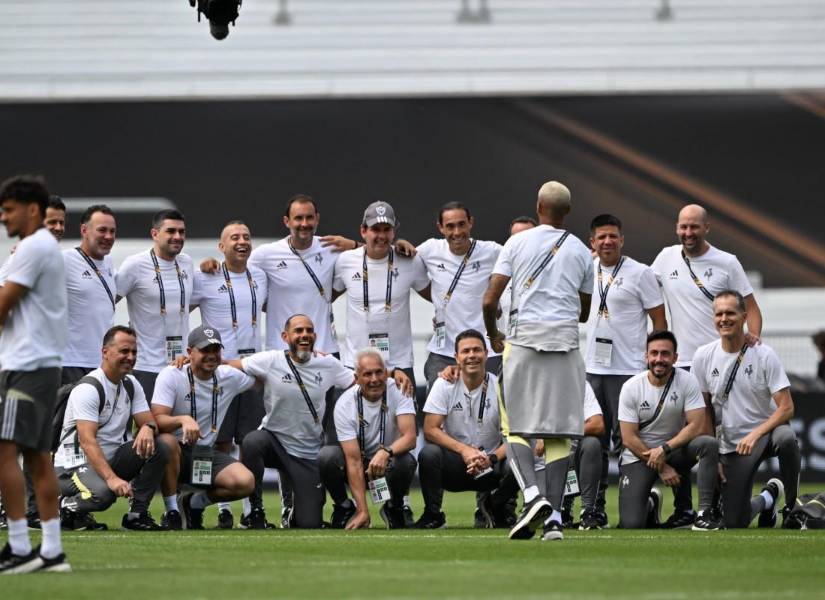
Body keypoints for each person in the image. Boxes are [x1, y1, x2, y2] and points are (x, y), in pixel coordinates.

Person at [483, 180, 593, 542]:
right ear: (568, 213)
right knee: (560, 434)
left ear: (538, 206)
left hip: (524, 341)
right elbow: (584, 312)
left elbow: (490, 300)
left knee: (515, 428)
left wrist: (494, 335)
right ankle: (555, 520)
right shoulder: (580, 249)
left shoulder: (516, 242)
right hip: (565, 343)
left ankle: (531, 496)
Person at [0, 174, 70, 573]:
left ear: (31, 210)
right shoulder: (38, 247)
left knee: (3, 452)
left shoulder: (33, 246)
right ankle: (53, 552)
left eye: (9, 210)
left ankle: (21, 546)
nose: (4, 217)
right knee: (38, 459)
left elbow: (3, 304)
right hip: (38, 365)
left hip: (27, 367)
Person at [232, 315, 361, 529]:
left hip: (307, 454)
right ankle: (254, 511)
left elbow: (360, 382)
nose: (304, 335)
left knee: (309, 523)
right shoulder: (271, 360)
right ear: (285, 336)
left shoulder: (327, 363)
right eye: (298, 331)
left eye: (309, 331)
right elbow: (230, 364)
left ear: (315, 336)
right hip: (274, 443)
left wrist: (393, 374)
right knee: (252, 441)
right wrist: (189, 359)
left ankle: (295, 515)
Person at [692, 290, 803, 529]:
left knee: (786, 438)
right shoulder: (703, 356)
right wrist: (714, 456)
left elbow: (786, 408)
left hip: (765, 435)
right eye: (719, 314)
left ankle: (792, 509)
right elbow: (703, 412)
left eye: (730, 313)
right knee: (734, 521)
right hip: (731, 447)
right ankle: (768, 498)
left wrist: (755, 434)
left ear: (743, 316)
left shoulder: (764, 354)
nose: (724, 319)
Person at [584, 214, 666, 527]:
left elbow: (659, 320)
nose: (607, 242)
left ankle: (639, 501)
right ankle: (595, 509)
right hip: (593, 368)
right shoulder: (584, 267)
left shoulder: (641, 273)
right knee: (595, 442)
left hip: (629, 370)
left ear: (622, 239)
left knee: (626, 443)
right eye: (601, 237)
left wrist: (652, 360)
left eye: (613, 236)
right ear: (592, 242)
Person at [191, 220, 268, 529]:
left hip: (251, 373)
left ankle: (252, 509)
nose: (242, 241)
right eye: (234, 237)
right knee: (220, 443)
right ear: (221, 247)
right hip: (218, 373)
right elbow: (181, 308)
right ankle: (222, 508)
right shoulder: (205, 276)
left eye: (247, 237)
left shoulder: (260, 276)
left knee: (250, 442)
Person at [55, 326, 171, 531]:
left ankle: (137, 515)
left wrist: (148, 427)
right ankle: (61, 506)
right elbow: (87, 441)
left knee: (161, 445)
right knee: (103, 495)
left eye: (134, 352)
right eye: (124, 351)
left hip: (110, 460)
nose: (130, 357)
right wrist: (112, 479)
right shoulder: (88, 388)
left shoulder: (131, 384)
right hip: (73, 466)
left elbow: (149, 421)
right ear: (105, 352)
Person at [152, 325, 258, 530]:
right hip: (173, 452)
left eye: (215, 350)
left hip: (204, 454)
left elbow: (265, 374)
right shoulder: (172, 374)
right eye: (205, 350)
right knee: (168, 442)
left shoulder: (229, 375)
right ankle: (172, 511)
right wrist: (182, 419)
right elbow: (156, 420)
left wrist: (307, 358)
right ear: (189, 352)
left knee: (245, 482)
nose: (211, 355)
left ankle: (193, 504)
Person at [617, 330, 721, 530]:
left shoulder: (688, 380)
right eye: (654, 353)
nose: (659, 359)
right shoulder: (631, 387)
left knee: (708, 444)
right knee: (632, 524)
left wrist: (665, 450)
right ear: (646, 356)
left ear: (675, 357)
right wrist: (662, 466)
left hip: (674, 450)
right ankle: (651, 503)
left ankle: (702, 514)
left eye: (665, 354)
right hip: (639, 456)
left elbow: (697, 425)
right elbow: (628, 438)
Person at [417, 329, 518, 529]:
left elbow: (514, 434)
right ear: (456, 357)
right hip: (457, 464)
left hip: (491, 464)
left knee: (520, 457)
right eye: (465, 351)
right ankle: (433, 514)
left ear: (486, 354)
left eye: (477, 350)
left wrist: (491, 458)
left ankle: (496, 506)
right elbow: (430, 429)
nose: (471, 355)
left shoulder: (501, 386)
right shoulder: (444, 384)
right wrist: (465, 451)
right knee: (428, 454)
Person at [332, 201, 431, 387]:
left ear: (394, 231)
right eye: (375, 229)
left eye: (387, 229)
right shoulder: (345, 261)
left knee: (403, 417)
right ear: (363, 231)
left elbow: (437, 297)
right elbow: (325, 299)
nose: (382, 235)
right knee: (357, 416)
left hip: (400, 364)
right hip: (357, 365)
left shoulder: (409, 260)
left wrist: (440, 318)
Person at [651, 204, 762, 368]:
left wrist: (753, 336)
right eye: (684, 227)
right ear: (677, 228)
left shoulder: (727, 262)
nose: (688, 233)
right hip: (682, 361)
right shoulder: (666, 257)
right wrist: (600, 261)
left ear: (706, 228)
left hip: (722, 359)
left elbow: (751, 307)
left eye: (694, 227)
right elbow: (638, 283)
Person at [319, 349, 417, 529]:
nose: (374, 379)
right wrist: (363, 510)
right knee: (327, 456)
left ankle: (393, 507)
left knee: (406, 462)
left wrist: (386, 452)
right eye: (367, 374)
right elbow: (353, 460)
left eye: (379, 372)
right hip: (359, 466)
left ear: (386, 372)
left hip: (388, 464)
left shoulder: (400, 389)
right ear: (356, 378)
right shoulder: (344, 404)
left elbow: (410, 437)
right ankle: (346, 508)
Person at [416, 202, 503, 388]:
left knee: (492, 410)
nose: (457, 232)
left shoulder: (492, 251)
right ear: (440, 228)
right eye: (450, 226)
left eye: (461, 224)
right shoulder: (429, 250)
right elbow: (393, 258)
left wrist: (500, 305)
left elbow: (521, 268)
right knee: (437, 410)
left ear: (471, 223)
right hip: (444, 352)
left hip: (486, 352)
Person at [116, 209, 194, 400]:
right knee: (146, 428)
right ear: (154, 234)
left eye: (181, 232)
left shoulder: (187, 263)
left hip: (181, 366)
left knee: (179, 427)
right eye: (171, 231)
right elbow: (107, 302)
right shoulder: (134, 264)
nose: (177, 237)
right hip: (146, 368)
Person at [61, 205, 118, 385]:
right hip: (71, 363)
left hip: (103, 364)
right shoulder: (64, 259)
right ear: (84, 230)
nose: (108, 237)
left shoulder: (108, 263)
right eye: (102, 230)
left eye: (112, 231)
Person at [556, 381, 605, 530]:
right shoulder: (531, 382)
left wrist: (558, 434)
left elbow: (598, 425)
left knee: (591, 444)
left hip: (571, 456)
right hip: (540, 459)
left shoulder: (579, 383)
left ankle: (588, 511)